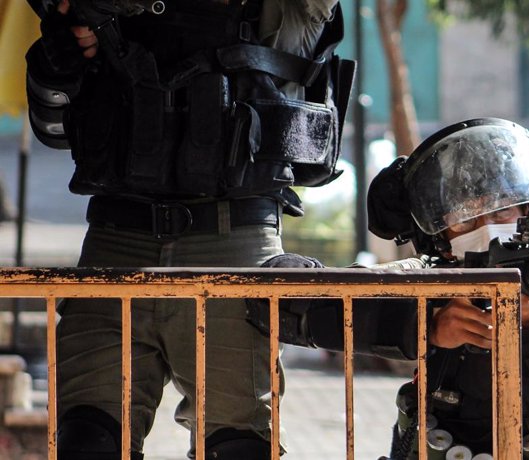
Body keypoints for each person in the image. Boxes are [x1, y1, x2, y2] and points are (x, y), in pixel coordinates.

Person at [24, 0, 354, 458]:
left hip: (231, 243)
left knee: (237, 446)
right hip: (117, 238)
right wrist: (57, 58)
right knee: (88, 441)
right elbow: (56, 128)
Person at [255, 118, 529, 459]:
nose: (490, 229)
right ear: (441, 238)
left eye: (506, 209)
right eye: (467, 220)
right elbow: (271, 300)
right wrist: (424, 325)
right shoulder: (437, 284)